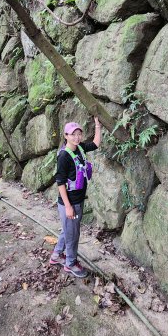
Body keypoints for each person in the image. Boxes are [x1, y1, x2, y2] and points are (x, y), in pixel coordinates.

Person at [50, 117, 101, 278]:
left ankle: (57, 255)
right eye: (73, 134)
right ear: (66, 136)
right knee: (73, 235)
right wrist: (68, 206)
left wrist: (98, 125)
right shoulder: (64, 156)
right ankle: (70, 263)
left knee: (68, 231)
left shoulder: (79, 149)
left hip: (78, 200)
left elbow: (95, 144)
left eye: (79, 134)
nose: (77, 137)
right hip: (69, 202)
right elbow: (60, 182)